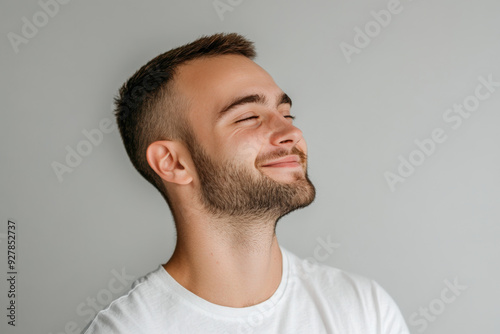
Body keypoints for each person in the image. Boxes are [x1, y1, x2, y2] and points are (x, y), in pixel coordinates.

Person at [83, 32, 410, 333]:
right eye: (248, 117)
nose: (291, 133)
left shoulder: (364, 309)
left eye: (286, 114)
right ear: (174, 163)